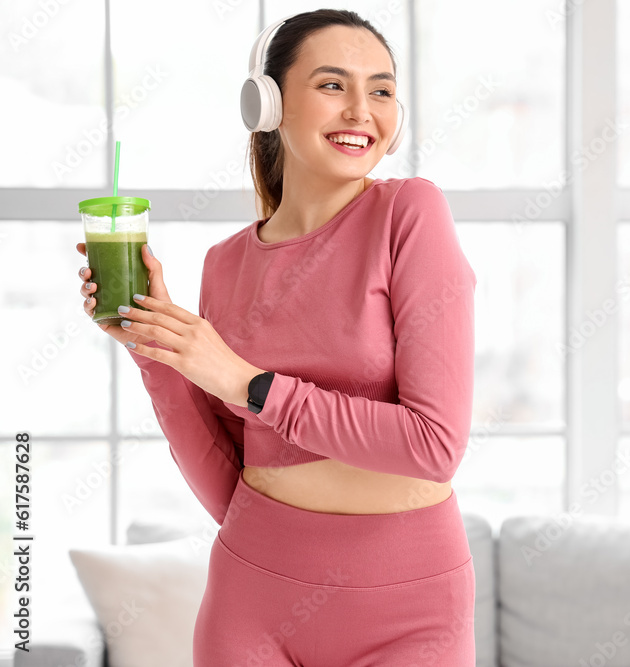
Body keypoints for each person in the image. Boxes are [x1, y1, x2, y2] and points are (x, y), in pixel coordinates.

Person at [74, 9, 477, 665]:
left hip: (408, 609)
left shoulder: (410, 213)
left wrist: (247, 383)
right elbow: (229, 487)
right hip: (252, 591)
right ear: (267, 104)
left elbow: (434, 446)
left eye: (380, 89)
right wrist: (159, 352)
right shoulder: (226, 263)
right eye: (331, 85)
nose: (360, 111)